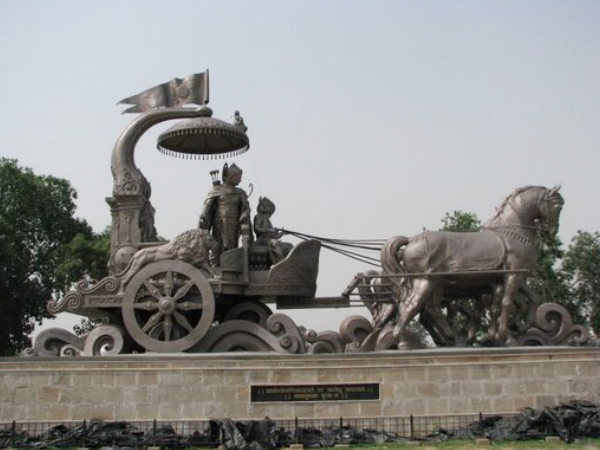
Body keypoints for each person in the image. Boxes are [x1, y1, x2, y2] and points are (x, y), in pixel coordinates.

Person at [199, 163, 251, 265]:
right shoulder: (216, 189)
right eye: (238, 177)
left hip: (234, 223)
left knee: (231, 246)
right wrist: (204, 213)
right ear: (231, 176)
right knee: (217, 245)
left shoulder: (240, 192)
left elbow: (246, 208)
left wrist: (245, 214)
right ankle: (215, 266)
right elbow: (208, 203)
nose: (240, 180)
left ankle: (230, 267)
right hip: (219, 222)